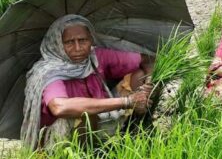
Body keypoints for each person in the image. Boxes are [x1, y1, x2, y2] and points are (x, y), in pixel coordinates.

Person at [21, 15, 154, 150]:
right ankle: (88, 156)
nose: (78, 48)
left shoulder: (94, 57)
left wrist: (147, 85)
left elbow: (148, 59)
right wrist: (127, 101)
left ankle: (134, 133)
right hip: (62, 136)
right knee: (87, 115)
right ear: (58, 44)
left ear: (91, 39)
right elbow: (59, 107)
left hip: (100, 119)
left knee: (139, 76)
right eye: (69, 42)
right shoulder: (48, 71)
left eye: (83, 40)